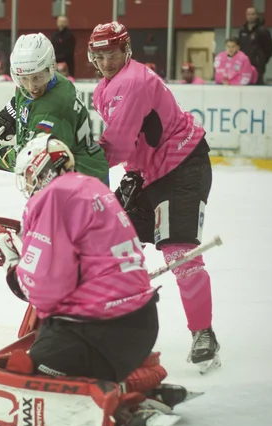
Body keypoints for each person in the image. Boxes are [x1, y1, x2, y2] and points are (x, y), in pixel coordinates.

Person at [0, 133, 181, 426]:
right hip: (141, 324)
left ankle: (124, 411)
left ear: (41, 171)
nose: (28, 185)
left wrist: (14, 267)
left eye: (29, 176)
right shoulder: (92, 187)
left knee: (31, 369)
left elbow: (45, 288)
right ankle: (149, 381)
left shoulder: (51, 198)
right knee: (54, 345)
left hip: (100, 332)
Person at [87, 21, 219, 374]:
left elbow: (115, 145)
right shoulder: (103, 89)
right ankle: (111, 324)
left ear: (125, 51)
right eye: (100, 55)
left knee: (180, 254)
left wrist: (67, 162)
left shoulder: (133, 80)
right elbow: (131, 144)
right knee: (108, 243)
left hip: (183, 164)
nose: (107, 61)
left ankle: (203, 333)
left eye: (112, 52)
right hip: (149, 173)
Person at [0, 33, 109, 185]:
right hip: (68, 177)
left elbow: (34, 161)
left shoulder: (53, 111)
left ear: (50, 68)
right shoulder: (51, 79)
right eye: (24, 78)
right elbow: (26, 97)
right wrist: (12, 112)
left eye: (37, 78)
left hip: (82, 184)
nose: (31, 87)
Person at [238, 6, 272, 85]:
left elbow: (269, 49)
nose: (250, 16)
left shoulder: (263, 31)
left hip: (258, 67)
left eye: (253, 14)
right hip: (244, 65)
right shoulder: (242, 31)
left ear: (257, 15)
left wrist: (262, 60)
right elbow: (239, 47)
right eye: (248, 14)